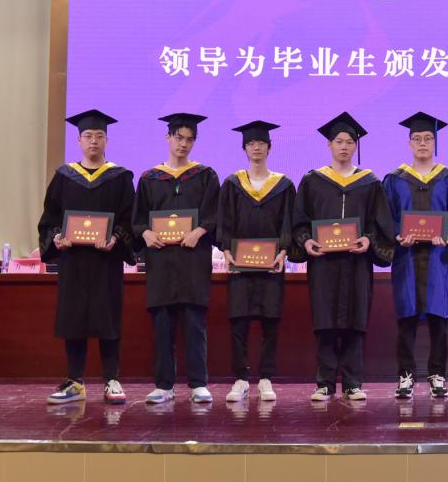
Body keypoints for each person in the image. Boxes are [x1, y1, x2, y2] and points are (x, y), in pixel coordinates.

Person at [291, 112, 395, 402]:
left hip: (356, 263)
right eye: (339, 141)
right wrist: (307, 241)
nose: (344, 147)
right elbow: (299, 221)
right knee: (325, 322)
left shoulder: (370, 183)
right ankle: (324, 383)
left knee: (354, 322)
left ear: (355, 146)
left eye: (349, 142)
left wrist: (368, 240)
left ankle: (352, 383)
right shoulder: (313, 181)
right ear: (329, 145)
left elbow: (381, 224)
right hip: (323, 263)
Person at [38, 110, 135, 405]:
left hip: (106, 262)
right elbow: (50, 218)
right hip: (74, 261)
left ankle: (112, 380)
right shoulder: (64, 177)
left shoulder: (120, 178)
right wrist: (57, 237)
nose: (94, 141)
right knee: (74, 319)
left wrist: (116, 238)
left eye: (99, 136)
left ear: (107, 140)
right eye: (88, 136)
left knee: (109, 319)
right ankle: (74, 381)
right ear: (79, 140)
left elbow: (129, 219)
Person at [134, 113, 220, 405]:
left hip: (193, 260)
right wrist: (145, 233)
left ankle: (198, 384)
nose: (183, 144)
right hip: (161, 261)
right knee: (162, 325)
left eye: (189, 139)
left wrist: (200, 230)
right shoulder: (150, 178)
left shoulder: (205, 175)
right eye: (179, 138)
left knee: (195, 323)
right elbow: (138, 219)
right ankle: (164, 385)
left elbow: (214, 214)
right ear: (168, 138)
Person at [383, 112, 448, 400]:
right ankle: (406, 375)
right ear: (409, 143)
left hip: (437, 259)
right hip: (406, 258)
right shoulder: (394, 180)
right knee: (406, 319)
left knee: (438, 319)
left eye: (428, 138)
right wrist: (398, 235)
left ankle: (437, 375)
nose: (422, 143)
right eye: (417, 138)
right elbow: (386, 216)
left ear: (435, 143)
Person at [218, 121, 295, 403]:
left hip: (271, 265)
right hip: (241, 266)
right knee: (239, 323)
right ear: (245, 149)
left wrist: (284, 251)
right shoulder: (232, 184)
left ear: (269, 147)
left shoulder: (283, 185)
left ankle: (265, 379)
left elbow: (288, 222)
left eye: (261, 143)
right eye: (251, 144)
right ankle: (240, 379)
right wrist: (226, 250)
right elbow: (224, 223)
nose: (256, 148)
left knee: (270, 323)